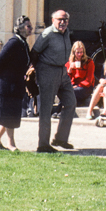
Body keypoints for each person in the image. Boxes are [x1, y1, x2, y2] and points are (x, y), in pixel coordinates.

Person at [30, 9, 75, 152]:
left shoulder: (66, 32)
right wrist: (37, 72)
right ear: (52, 20)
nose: (63, 22)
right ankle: (43, 144)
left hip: (63, 71)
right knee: (46, 109)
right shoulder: (47, 34)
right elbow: (34, 53)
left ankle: (60, 139)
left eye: (65, 19)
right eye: (59, 19)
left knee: (71, 103)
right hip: (48, 71)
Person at [0, 15, 32, 150]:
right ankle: (11, 144)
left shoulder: (22, 42)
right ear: (21, 28)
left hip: (15, 84)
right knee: (10, 115)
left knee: (10, 114)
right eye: (28, 26)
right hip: (7, 85)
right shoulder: (14, 42)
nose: (31, 29)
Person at [86, 49, 106, 119]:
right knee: (101, 86)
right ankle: (89, 110)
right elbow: (102, 76)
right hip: (105, 83)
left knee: (105, 88)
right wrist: (101, 80)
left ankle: (105, 111)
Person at [65, 41, 95, 108]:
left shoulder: (89, 62)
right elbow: (65, 79)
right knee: (65, 91)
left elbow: (88, 80)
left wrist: (78, 86)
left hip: (85, 87)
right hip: (73, 86)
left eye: (81, 52)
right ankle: (77, 102)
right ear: (73, 52)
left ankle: (58, 111)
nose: (79, 54)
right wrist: (70, 69)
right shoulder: (70, 62)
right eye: (77, 52)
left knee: (69, 93)